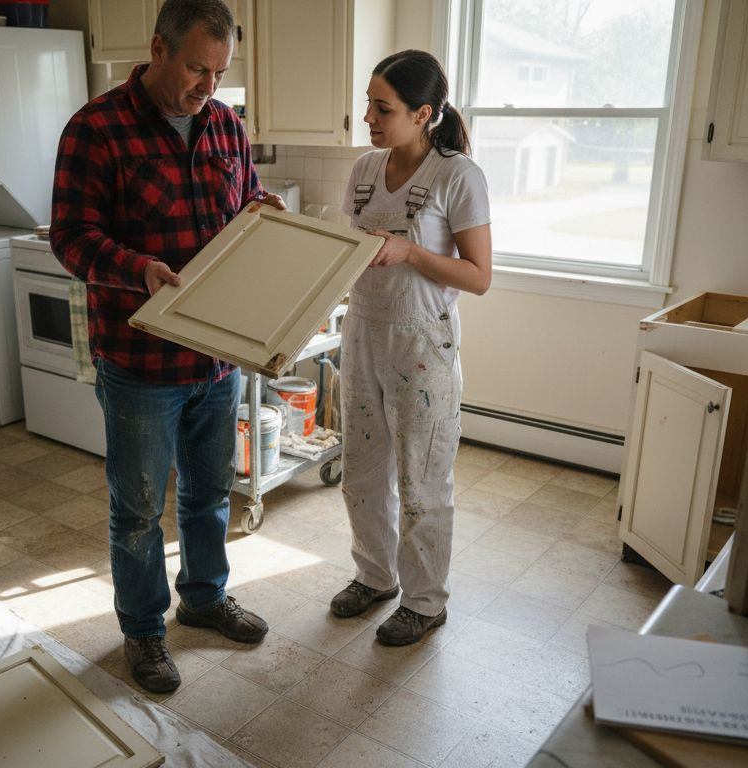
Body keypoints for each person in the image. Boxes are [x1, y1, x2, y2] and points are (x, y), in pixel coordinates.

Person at [50, 0, 284, 693]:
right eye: (195, 68)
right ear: (157, 47)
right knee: (139, 508)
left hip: (216, 357)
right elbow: (70, 236)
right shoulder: (96, 128)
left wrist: (261, 210)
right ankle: (145, 632)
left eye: (219, 72)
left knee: (211, 494)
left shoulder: (226, 125)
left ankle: (205, 599)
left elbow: (242, 197)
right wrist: (136, 271)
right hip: (140, 363)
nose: (207, 87)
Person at [329, 50, 493, 645]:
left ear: (423, 113)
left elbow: (479, 276)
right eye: (367, 104)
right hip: (363, 331)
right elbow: (347, 251)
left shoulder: (457, 177)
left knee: (422, 480)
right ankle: (374, 577)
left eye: (383, 107)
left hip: (422, 344)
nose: (369, 118)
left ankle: (425, 601)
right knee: (363, 472)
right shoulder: (365, 170)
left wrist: (410, 253)